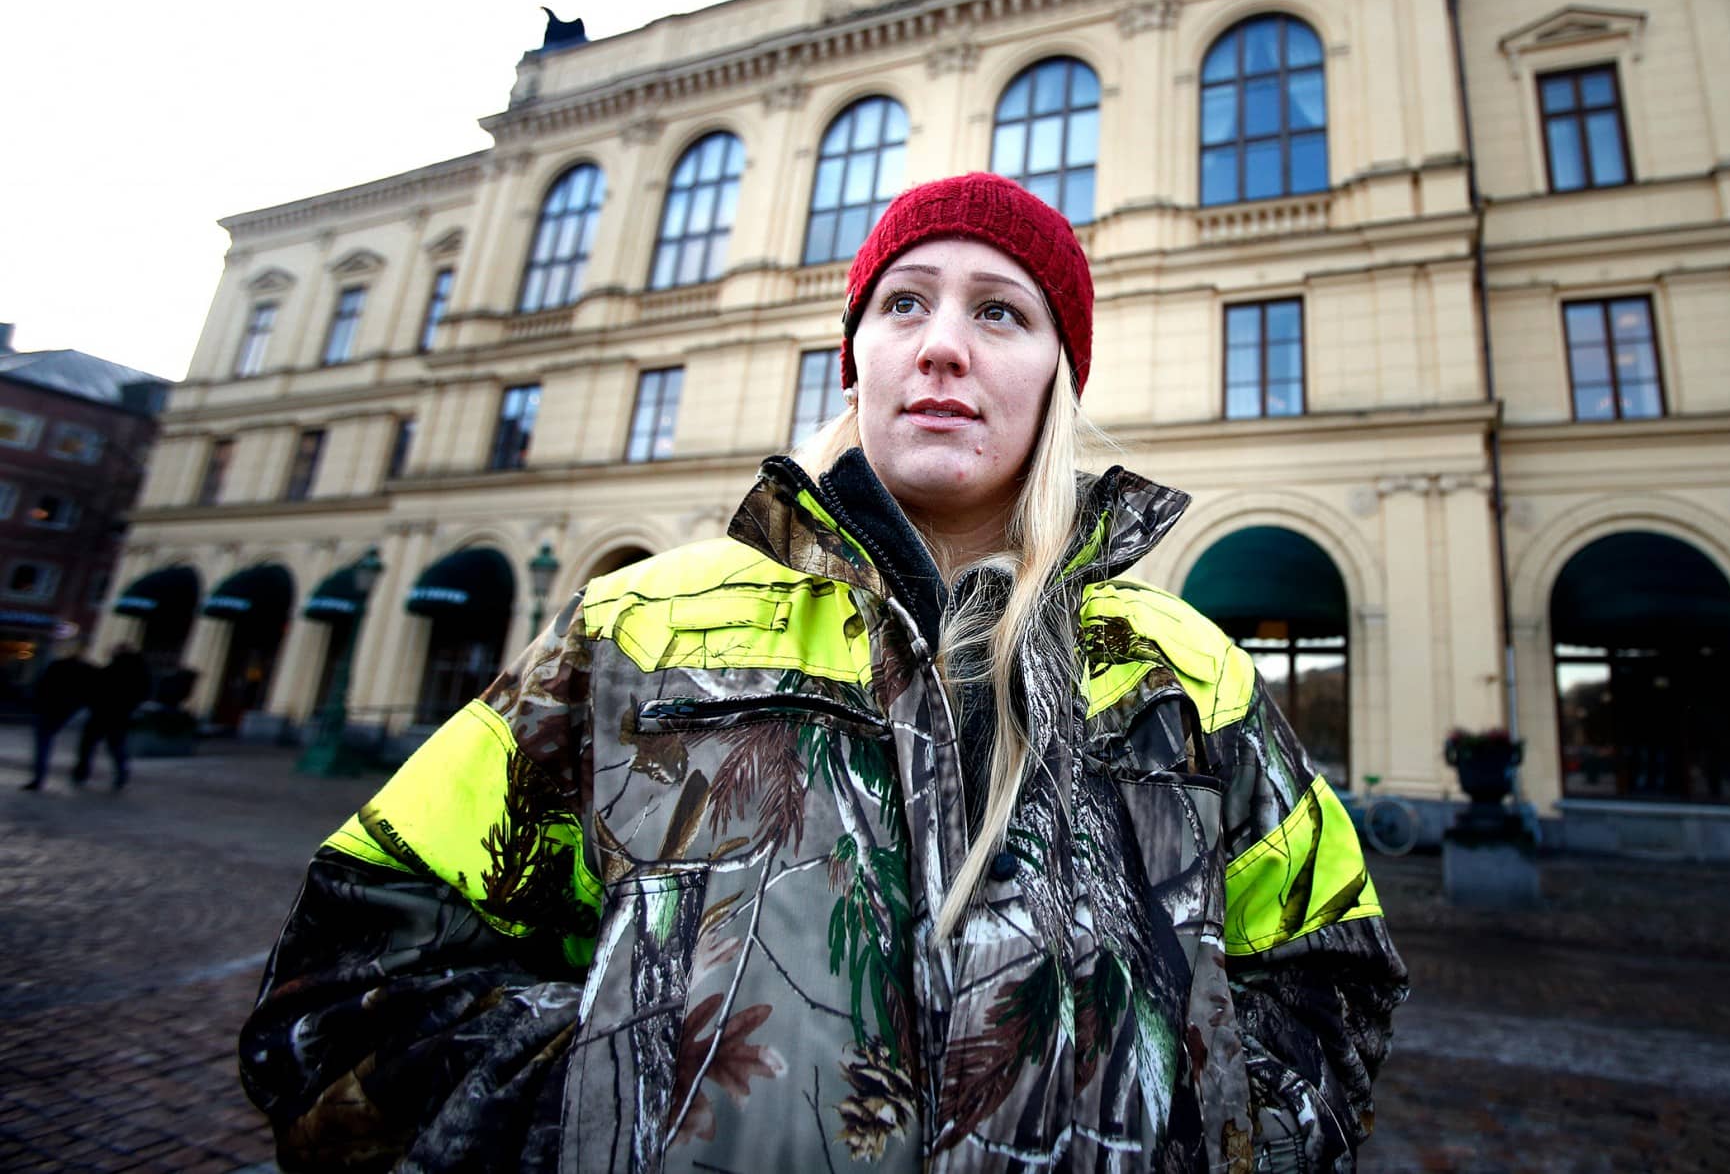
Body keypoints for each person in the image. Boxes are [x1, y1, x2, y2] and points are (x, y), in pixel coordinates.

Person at [240, 173, 1408, 1171]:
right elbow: (350, 978)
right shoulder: (644, 625)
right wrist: (611, 1117)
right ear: (856, 362)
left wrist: (1189, 1133)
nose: (941, 341)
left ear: (1057, 377)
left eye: (1000, 311)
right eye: (904, 302)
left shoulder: (1181, 670)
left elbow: (1326, 973)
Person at [74, 643, 153, 789]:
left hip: (105, 712)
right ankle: (120, 773)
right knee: (115, 746)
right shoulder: (137, 670)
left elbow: (100, 684)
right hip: (118, 714)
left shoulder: (119, 669)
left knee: (91, 744)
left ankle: (83, 773)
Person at [21, 643, 96, 791]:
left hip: (51, 707)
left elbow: (43, 686)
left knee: (43, 741)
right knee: (46, 739)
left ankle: (39, 777)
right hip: (65, 710)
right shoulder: (87, 670)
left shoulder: (58, 665)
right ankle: (43, 776)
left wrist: (38, 703)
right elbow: (89, 692)